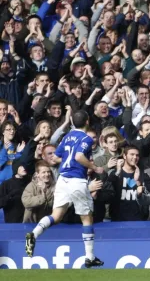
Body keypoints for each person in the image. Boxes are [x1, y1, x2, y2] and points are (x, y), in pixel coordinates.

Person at [25, 110, 104, 268]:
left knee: (56, 215)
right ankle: (89, 257)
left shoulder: (66, 137)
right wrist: (94, 167)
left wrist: (69, 160)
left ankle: (34, 234)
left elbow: (56, 157)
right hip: (77, 180)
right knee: (87, 218)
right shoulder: (87, 138)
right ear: (87, 121)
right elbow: (78, 157)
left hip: (62, 179)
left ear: (73, 123)